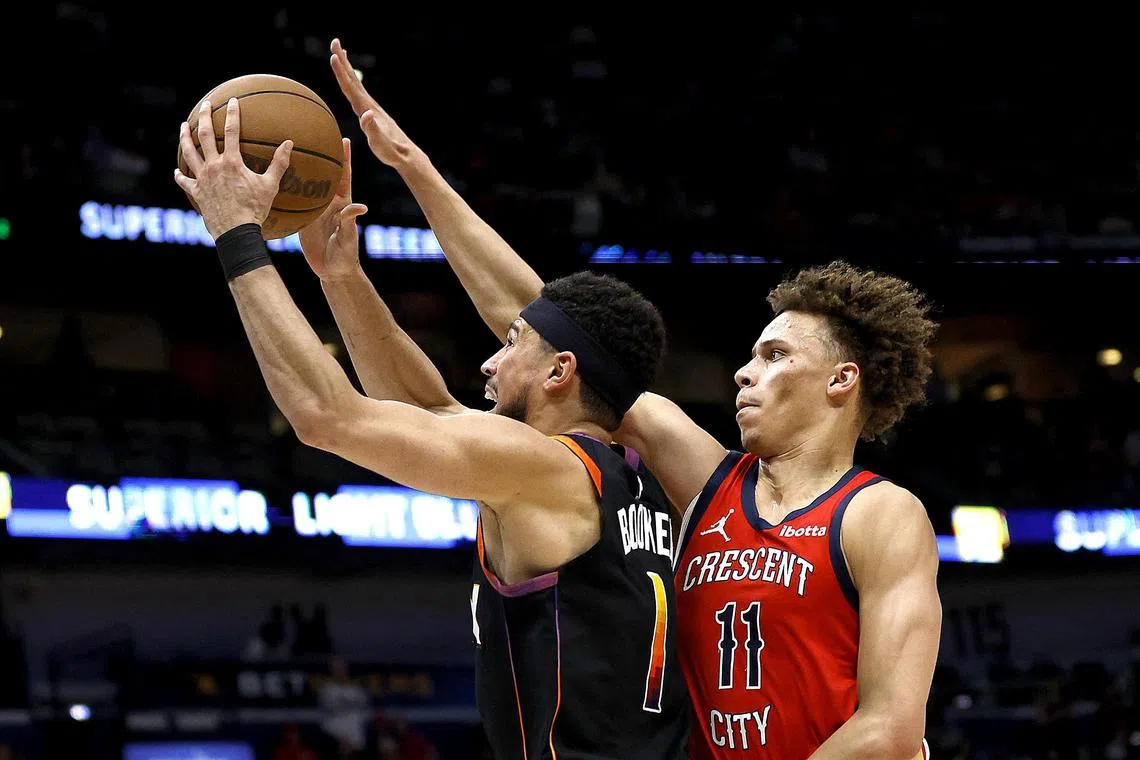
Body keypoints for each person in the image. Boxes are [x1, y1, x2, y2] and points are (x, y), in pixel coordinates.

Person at [324, 38, 941, 759]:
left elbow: (891, 730)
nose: (743, 373)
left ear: (843, 381)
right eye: (748, 355)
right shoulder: (713, 485)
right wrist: (415, 169)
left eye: (774, 356)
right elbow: (552, 327)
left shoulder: (881, 514)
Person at [173, 98, 688, 759]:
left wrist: (236, 234)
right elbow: (435, 412)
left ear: (560, 371)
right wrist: (341, 278)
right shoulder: (634, 479)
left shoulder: (545, 468)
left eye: (511, 342)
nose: (489, 361)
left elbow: (326, 416)